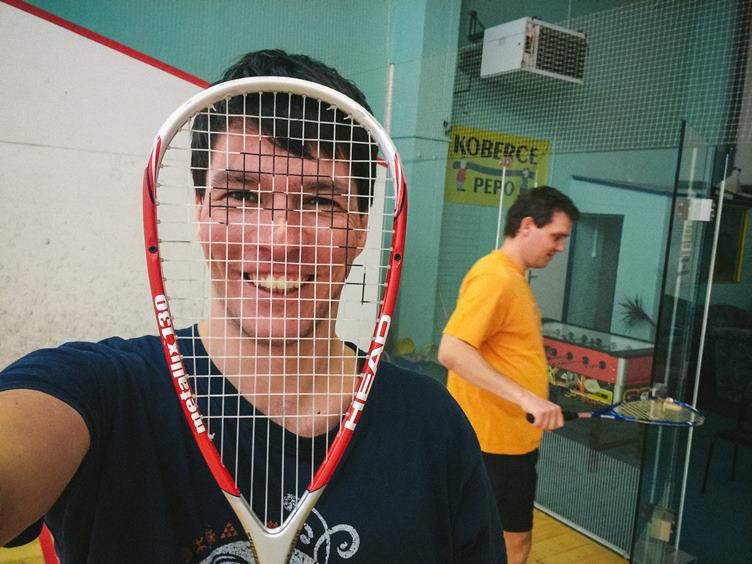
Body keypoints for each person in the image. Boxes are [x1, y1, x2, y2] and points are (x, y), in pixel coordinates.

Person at [0, 50, 505, 563]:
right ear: (200, 215)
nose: (279, 241)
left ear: (360, 231)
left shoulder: (434, 427)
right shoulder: (101, 394)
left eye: (320, 202)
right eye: (240, 196)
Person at [438, 186, 580, 564]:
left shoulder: (511, 277)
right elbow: (452, 350)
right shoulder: (496, 278)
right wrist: (527, 398)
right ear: (527, 225)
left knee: (495, 541)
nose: (560, 247)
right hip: (494, 446)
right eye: (556, 236)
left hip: (506, 441)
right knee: (513, 546)